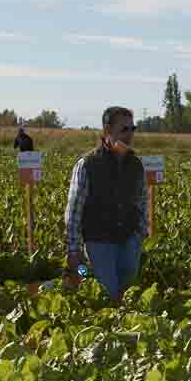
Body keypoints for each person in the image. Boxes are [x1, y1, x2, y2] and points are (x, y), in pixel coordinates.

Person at [64, 106, 148, 300]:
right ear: (107, 131)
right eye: (123, 129)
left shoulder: (136, 165)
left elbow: (142, 201)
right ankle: (80, 279)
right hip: (98, 241)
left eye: (132, 129)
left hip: (129, 240)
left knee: (127, 293)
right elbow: (74, 210)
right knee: (105, 292)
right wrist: (74, 249)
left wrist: (141, 234)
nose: (129, 135)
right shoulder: (87, 164)